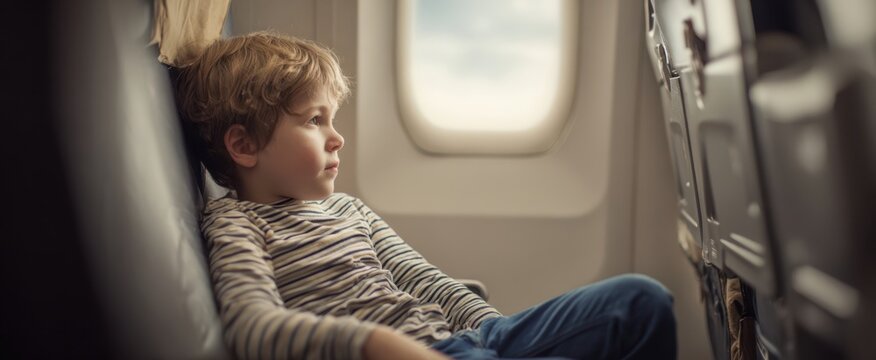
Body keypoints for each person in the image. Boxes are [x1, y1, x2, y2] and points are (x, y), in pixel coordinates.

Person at [174, 31, 677, 360]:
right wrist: (374, 344)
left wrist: (507, 336)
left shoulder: (349, 210)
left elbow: (430, 285)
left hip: (466, 344)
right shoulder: (236, 224)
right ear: (244, 146)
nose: (337, 137)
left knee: (639, 301)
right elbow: (252, 328)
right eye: (314, 120)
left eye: (332, 118)